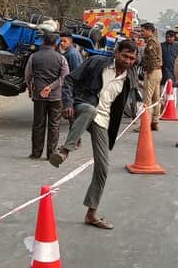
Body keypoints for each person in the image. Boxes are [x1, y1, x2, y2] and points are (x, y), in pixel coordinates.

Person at [48, 39, 139, 230]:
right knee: (90, 110)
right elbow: (70, 80)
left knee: (103, 167)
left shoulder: (129, 77)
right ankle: (65, 150)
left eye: (132, 58)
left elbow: (127, 101)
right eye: (125, 56)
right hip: (82, 107)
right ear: (116, 53)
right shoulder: (96, 62)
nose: (128, 61)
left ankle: (91, 213)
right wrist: (68, 103)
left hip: (103, 121)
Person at [25, 32, 69, 159]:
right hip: (56, 97)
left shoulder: (33, 57)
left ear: (43, 41)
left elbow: (28, 75)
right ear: (56, 43)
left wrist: (30, 89)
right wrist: (51, 87)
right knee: (54, 125)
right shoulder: (61, 58)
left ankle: (36, 153)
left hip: (39, 96)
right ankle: (51, 153)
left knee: (38, 123)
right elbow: (64, 77)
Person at [138, 23, 163, 131]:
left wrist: (148, 71)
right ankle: (155, 121)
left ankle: (145, 125)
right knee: (156, 99)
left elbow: (151, 58)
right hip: (158, 71)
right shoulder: (155, 40)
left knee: (147, 100)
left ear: (149, 31)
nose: (141, 33)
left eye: (143, 31)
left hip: (152, 72)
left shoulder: (151, 42)